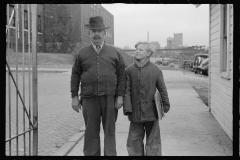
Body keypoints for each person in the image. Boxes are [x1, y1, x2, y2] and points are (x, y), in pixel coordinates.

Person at [70, 16, 126, 156]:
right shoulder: (82, 53)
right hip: (89, 99)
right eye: (93, 31)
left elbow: (121, 76)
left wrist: (120, 96)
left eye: (99, 31)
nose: (96, 34)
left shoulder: (115, 52)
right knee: (90, 133)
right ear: (88, 33)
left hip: (110, 98)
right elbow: (75, 75)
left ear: (104, 33)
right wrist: (74, 97)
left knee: (110, 132)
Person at [123, 41, 170, 156]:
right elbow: (126, 91)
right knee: (134, 141)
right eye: (136, 49)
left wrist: (165, 104)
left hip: (152, 112)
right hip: (135, 112)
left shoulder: (156, 70)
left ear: (148, 53)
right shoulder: (129, 70)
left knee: (153, 141)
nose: (137, 51)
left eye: (141, 49)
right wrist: (128, 108)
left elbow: (162, 89)